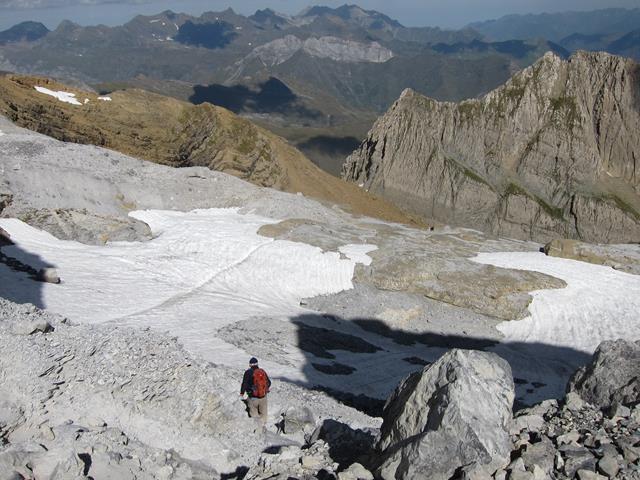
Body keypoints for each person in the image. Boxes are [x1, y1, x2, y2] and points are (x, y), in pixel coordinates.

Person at [240, 357, 271, 427]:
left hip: (252, 398)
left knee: (254, 415)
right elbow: (269, 382)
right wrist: (264, 389)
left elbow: (244, 384)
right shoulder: (262, 371)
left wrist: (242, 393)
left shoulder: (248, 372)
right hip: (263, 397)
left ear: (250, 365)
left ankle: (257, 428)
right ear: (257, 364)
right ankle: (263, 427)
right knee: (263, 415)